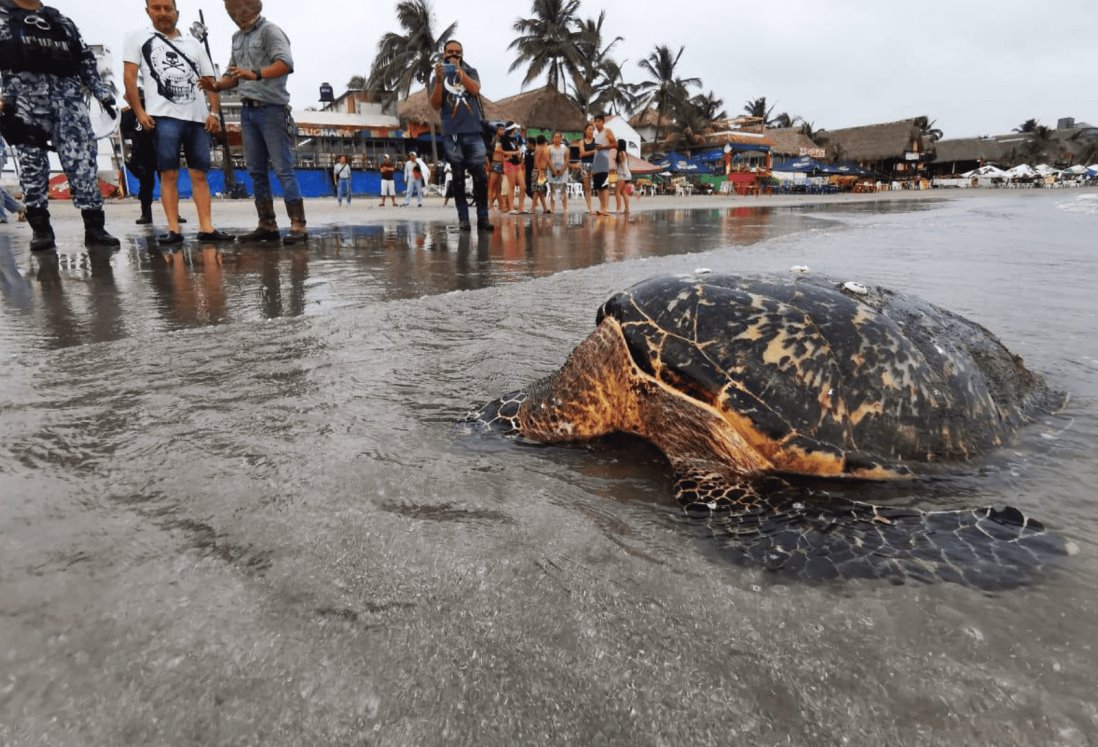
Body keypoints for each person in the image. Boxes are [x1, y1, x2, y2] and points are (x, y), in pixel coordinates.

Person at [0, 0, 120, 251]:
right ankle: (41, 230)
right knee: (32, 167)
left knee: (83, 165)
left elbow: (84, 60)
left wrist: (103, 95)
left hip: (69, 103)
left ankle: (95, 228)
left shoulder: (60, 20)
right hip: (23, 104)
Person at [124, 0, 234, 247]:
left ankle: (207, 227)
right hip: (163, 118)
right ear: (148, 11)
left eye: (167, 8)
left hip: (197, 119)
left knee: (199, 174)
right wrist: (139, 112)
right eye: (157, 7)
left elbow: (210, 80)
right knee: (168, 173)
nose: (163, 13)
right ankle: (173, 229)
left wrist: (213, 113)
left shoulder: (193, 44)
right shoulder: (137, 38)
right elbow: (129, 78)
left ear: (177, 13)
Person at [199, 0, 306, 244]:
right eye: (232, 13)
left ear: (255, 7)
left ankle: (298, 225)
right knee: (256, 170)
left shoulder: (270, 31)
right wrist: (216, 85)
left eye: (241, 11)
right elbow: (232, 74)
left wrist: (256, 73)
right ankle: (267, 224)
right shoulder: (237, 38)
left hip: (272, 110)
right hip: (247, 111)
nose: (237, 17)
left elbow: (286, 63)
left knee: (282, 168)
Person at [429, 39, 491, 232]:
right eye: (450, 52)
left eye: (458, 52)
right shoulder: (437, 76)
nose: (454, 55)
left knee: (480, 177)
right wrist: (439, 80)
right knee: (457, 177)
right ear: (444, 53)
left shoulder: (470, 71)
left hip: (473, 130)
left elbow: (475, 89)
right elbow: (436, 104)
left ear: (462, 54)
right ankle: (463, 218)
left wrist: (459, 72)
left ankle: (483, 218)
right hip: (452, 133)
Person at [590, 112, 617, 216]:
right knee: (598, 186)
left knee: (604, 185)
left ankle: (606, 208)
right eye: (595, 121)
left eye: (598, 121)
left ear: (603, 122)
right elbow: (596, 151)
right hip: (596, 162)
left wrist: (604, 147)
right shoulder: (596, 136)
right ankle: (601, 208)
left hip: (604, 161)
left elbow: (615, 144)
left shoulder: (607, 131)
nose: (596, 123)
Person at [546, 131, 569, 214]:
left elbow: (567, 160)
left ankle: (565, 208)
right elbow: (548, 160)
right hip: (552, 170)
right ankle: (553, 208)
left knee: (563, 189)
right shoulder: (548, 148)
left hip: (563, 170)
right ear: (552, 138)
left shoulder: (565, 147)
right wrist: (554, 170)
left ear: (561, 138)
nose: (557, 139)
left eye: (559, 137)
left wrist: (562, 170)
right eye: (555, 137)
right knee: (553, 190)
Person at [577, 122, 596, 213]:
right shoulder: (581, 141)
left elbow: (598, 154)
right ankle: (589, 207)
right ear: (585, 130)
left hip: (594, 164)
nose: (591, 131)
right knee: (587, 187)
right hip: (585, 165)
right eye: (589, 129)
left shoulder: (596, 141)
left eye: (592, 129)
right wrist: (593, 151)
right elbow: (582, 153)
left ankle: (599, 206)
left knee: (595, 186)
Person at [530, 135, 550, 214]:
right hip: (539, 171)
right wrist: (540, 172)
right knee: (537, 190)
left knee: (540, 190)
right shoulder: (541, 149)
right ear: (544, 141)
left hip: (541, 171)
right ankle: (532, 207)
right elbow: (537, 160)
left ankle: (545, 208)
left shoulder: (539, 149)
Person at [614, 139, 632, 215]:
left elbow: (622, 164)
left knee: (617, 191)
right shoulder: (625, 153)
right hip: (628, 175)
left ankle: (618, 209)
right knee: (624, 192)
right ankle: (627, 209)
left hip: (622, 175)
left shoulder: (620, 153)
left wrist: (623, 174)